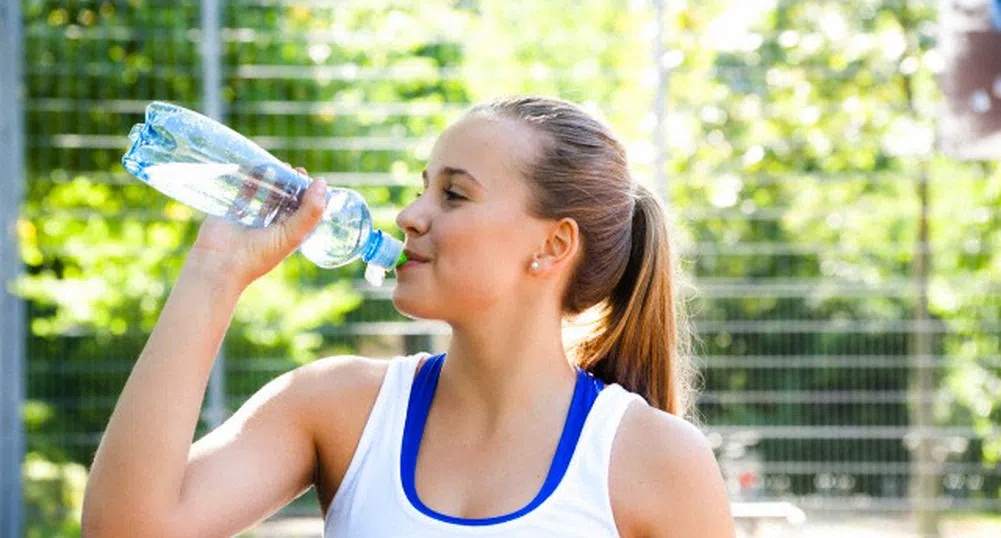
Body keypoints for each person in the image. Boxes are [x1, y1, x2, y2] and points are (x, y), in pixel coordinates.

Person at [82, 96, 735, 537]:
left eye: (453, 194)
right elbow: (127, 529)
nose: (410, 216)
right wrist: (215, 268)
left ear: (552, 246)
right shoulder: (336, 408)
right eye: (423, 187)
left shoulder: (654, 459)